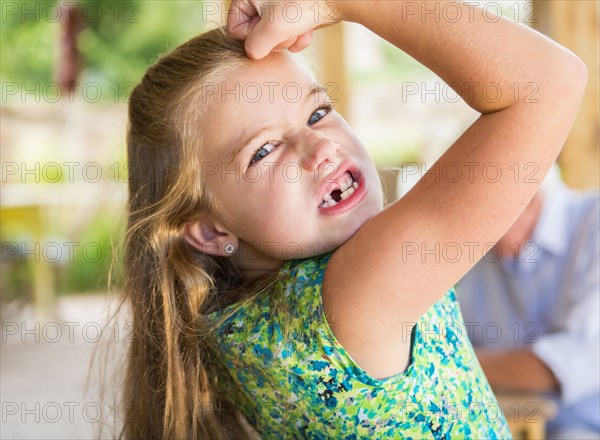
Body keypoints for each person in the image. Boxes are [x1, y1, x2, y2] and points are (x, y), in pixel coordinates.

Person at [120, 1, 587, 438]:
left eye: (318, 112)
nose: (321, 149)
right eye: (263, 150)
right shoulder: (360, 289)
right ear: (211, 230)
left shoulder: (229, 321)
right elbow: (547, 82)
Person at [456, 171, 600, 439]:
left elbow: (577, 361)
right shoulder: (482, 250)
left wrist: (460, 365)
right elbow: (457, 338)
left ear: (526, 199)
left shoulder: (592, 224)